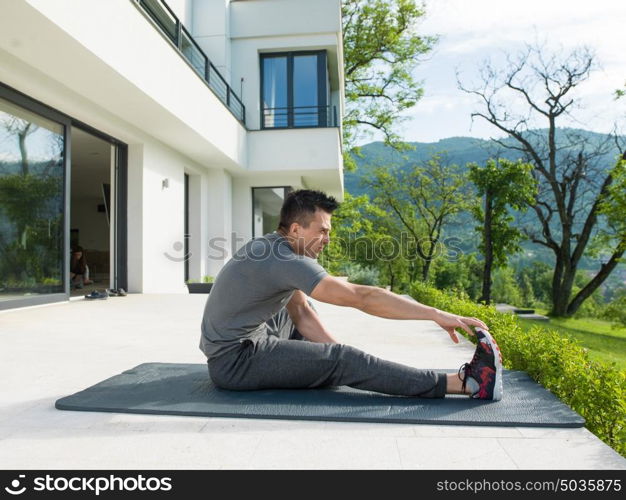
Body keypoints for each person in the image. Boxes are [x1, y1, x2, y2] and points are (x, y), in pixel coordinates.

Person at [199, 190, 503, 400]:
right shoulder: (283, 259)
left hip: (248, 339)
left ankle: (330, 366)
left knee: (311, 314)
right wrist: (435, 314)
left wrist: (336, 356)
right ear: (295, 229)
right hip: (235, 361)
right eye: (322, 231)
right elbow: (362, 297)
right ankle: (464, 384)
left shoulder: (273, 248)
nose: (328, 239)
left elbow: (301, 313)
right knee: (344, 359)